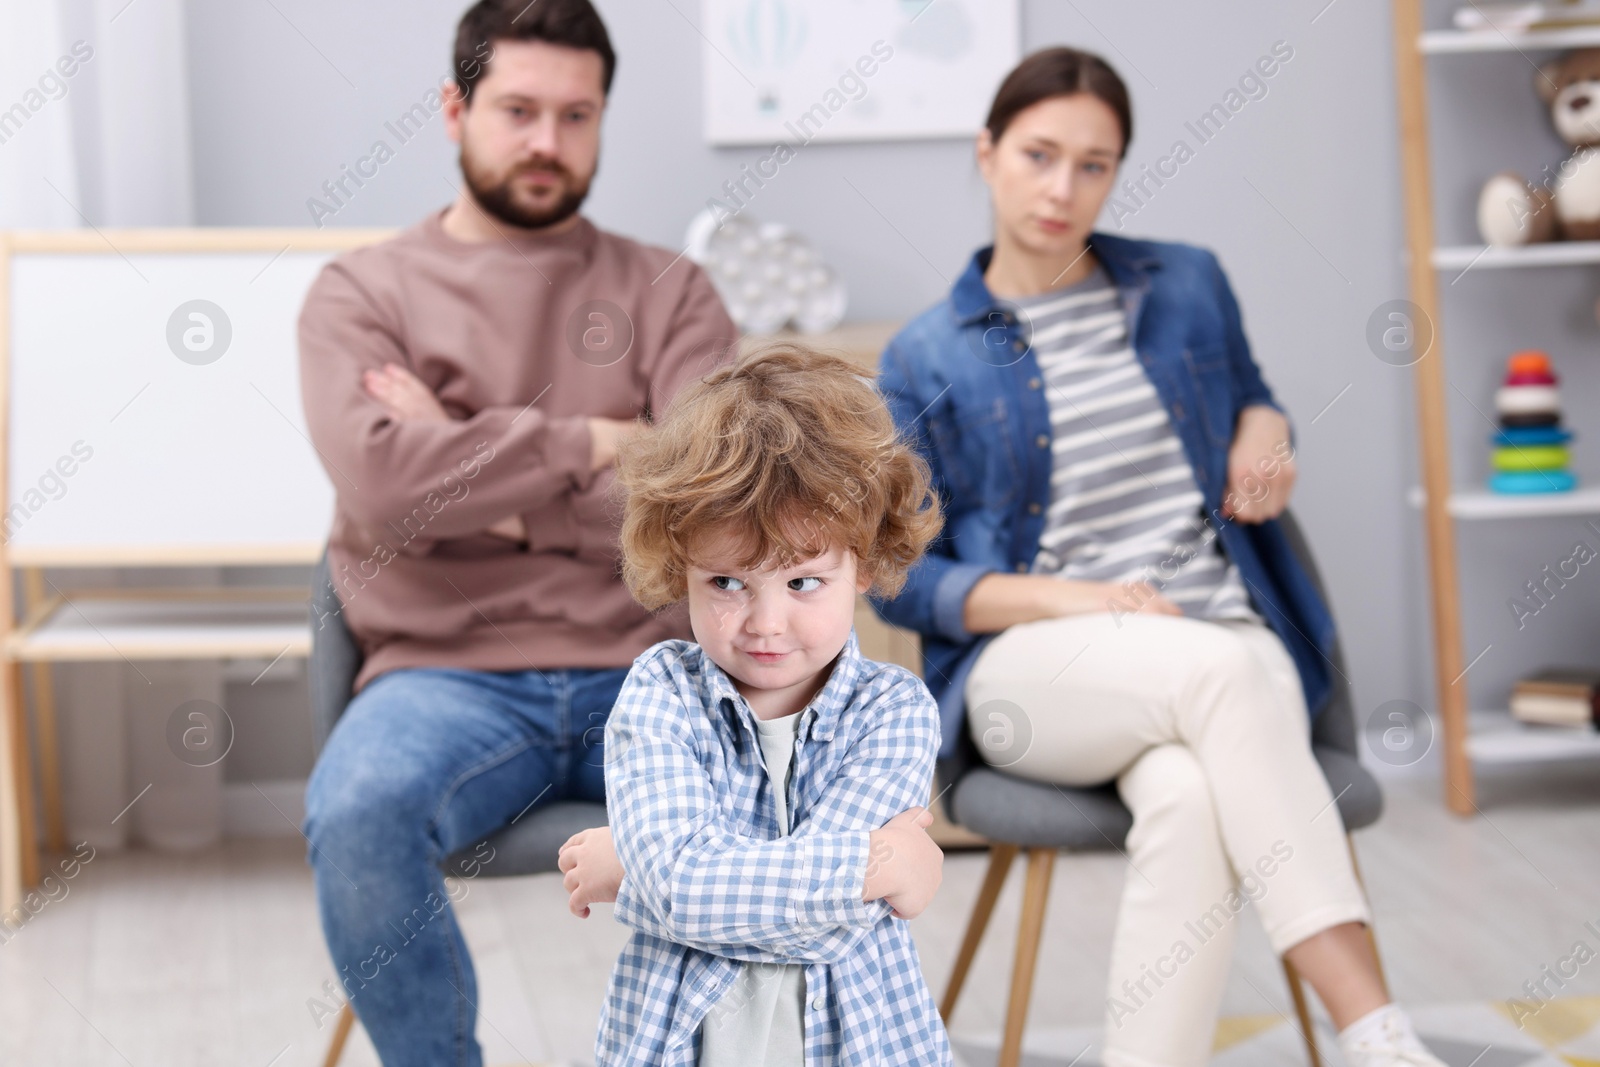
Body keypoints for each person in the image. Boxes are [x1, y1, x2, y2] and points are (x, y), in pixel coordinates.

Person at [871, 46, 1446, 1067]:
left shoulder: (1186, 283)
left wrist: (1267, 428)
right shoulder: (928, 352)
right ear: (987, 151)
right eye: (1039, 154)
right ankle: (1378, 1030)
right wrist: (1072, 599)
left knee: (1184, 790)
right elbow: (903, 580)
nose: (1062, 188)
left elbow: (1254, 396)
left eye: (1093, 164)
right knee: (1222, 679)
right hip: (1040, 663)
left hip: (1218, 628)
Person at [295, 2, 738, 1063]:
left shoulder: (671, 294)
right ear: (455, 109)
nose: (548, 141)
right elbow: (381, 487)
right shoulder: (362, 293)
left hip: (655, 668)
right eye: (519, 110)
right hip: (443, 677)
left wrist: (461, 456)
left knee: (783, 798)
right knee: (356, 810)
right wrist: (596, 439)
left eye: (575, 115)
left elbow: (706, 506)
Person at [556, 345, 954, 1066]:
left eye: (803, 583)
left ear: (861, 563)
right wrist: (875, 868)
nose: (765, 622)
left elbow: (834, 930)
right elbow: (688, 881)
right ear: (683, 567)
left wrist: (636, 880)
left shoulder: (894, 709)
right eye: (728, 583)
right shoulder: (661, 691)